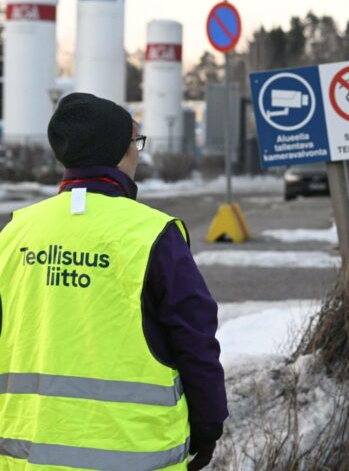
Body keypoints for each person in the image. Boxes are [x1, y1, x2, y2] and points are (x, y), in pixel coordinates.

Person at [0, 93, 228, 470]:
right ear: (120, 152)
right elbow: (194, 337)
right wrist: (208, 425)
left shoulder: (16, 232)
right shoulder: (153, 234)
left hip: (24, 456)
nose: (138, 152)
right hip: (136, 454)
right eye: (135, 142)